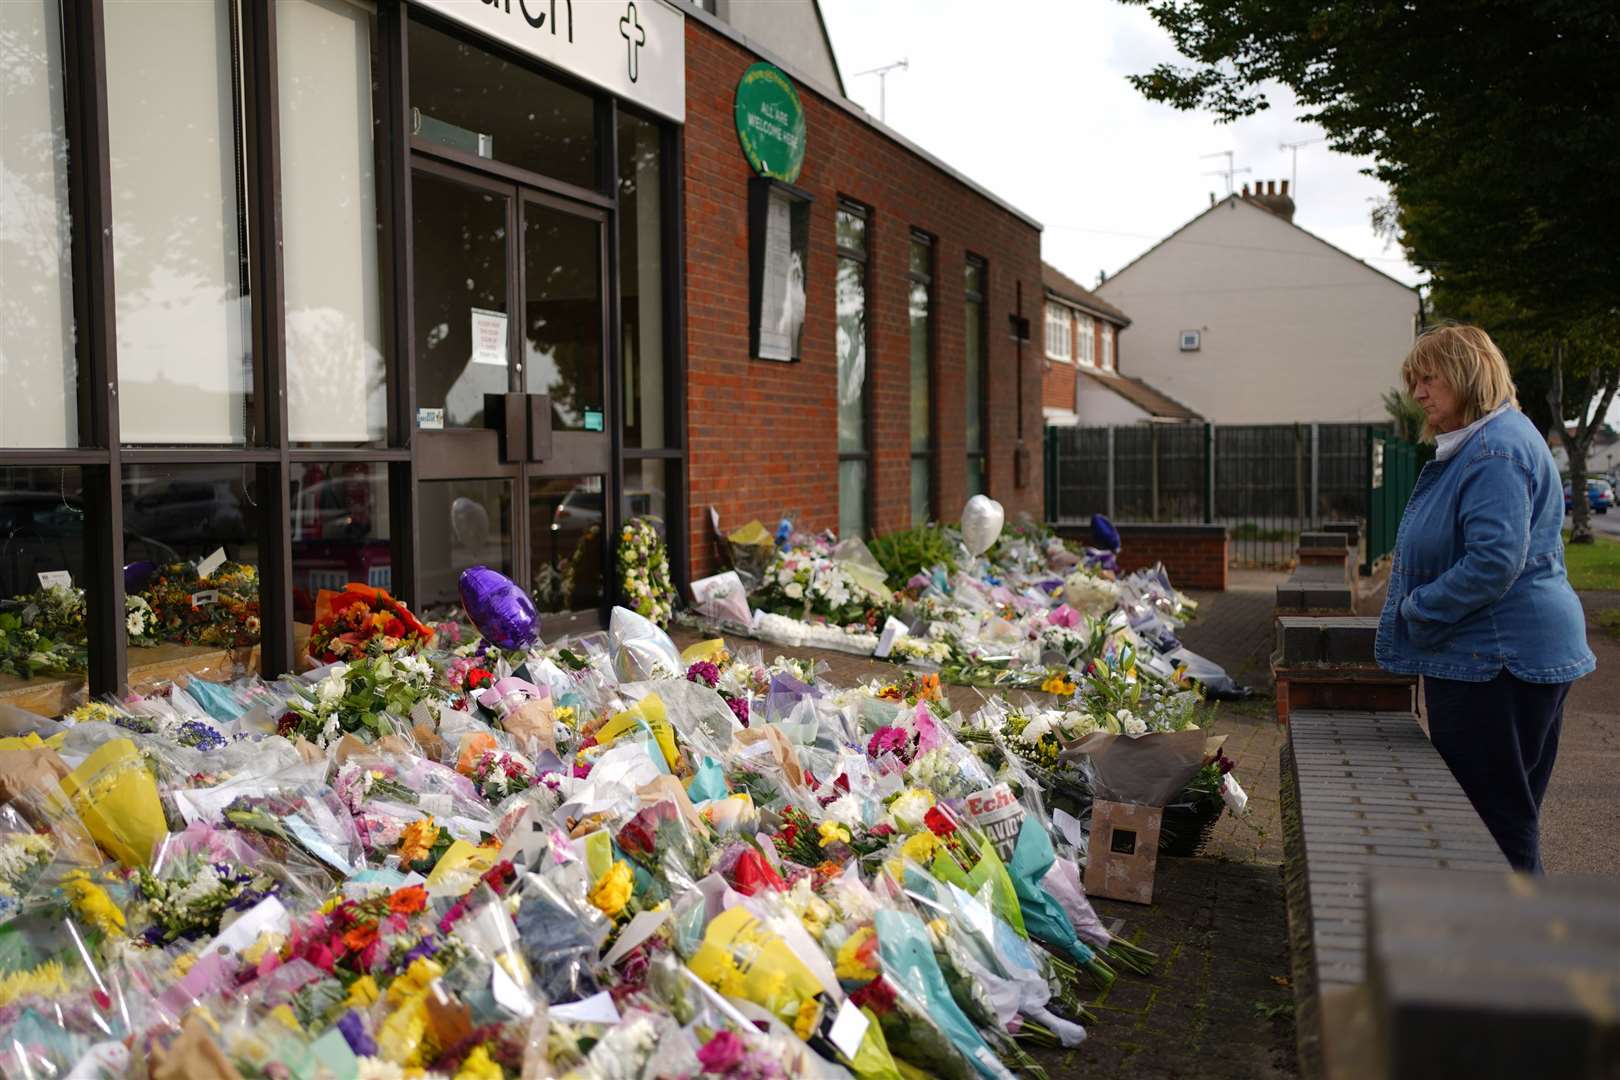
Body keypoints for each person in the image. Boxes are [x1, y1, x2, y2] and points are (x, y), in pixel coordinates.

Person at [1375, 324, 1594, 873]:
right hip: (1507, 656)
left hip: (1495, 662)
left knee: (1491, 825)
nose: (1419, 393)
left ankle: (1509, 950)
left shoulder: (1494, 451)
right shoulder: (1495, 441)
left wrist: (1419, 608)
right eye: (1414, 381)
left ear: (1469, 376)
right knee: (1504, 817)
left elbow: (1494, 561)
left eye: (1430, 378)